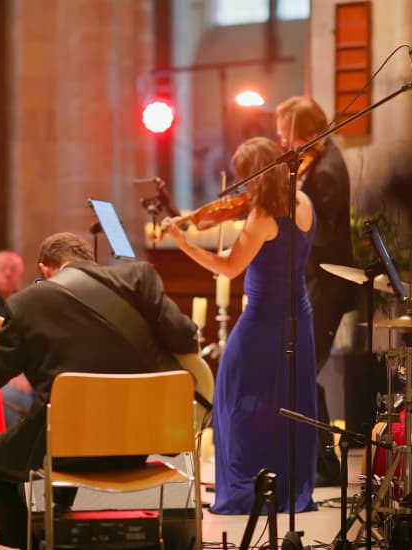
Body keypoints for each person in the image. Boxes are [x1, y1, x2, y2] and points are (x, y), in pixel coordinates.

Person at [0, 232, 199, 548]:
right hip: (145, 441)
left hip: (66, 450)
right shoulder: (140, 278)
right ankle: (60, 521)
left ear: (45, 269)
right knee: (66, 432)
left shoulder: (26, 304)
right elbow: (185, 338)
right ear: (90, 260)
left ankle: (31, 543)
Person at [162, 136, 317, 514]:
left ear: (256, 174)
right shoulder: (302, 201)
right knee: (289, 400)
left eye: (244, 176)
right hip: (299, 317)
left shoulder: (262, 217)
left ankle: (246, 485)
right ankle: (285, 485)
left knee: (231, 396)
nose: (240, 184)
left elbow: (229, 267)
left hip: (262, 320)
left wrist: (183, 242)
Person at [275, 96, 357, 486]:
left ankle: (327, 464)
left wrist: (292, 207)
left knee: (303, 368)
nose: (281, 140)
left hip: (329, 282)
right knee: (300, 368)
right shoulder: (317, 159)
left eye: (285, 133)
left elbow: (322, 234)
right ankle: (319, 460)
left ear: (305, 132)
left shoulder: (326, 171)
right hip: (317, 280)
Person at [0, 249, 33, 427]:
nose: (8, 273)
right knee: (16, 395)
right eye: (3, 268)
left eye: (13, 270)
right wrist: (12, 372)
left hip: (14, 369)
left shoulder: (20, 303)